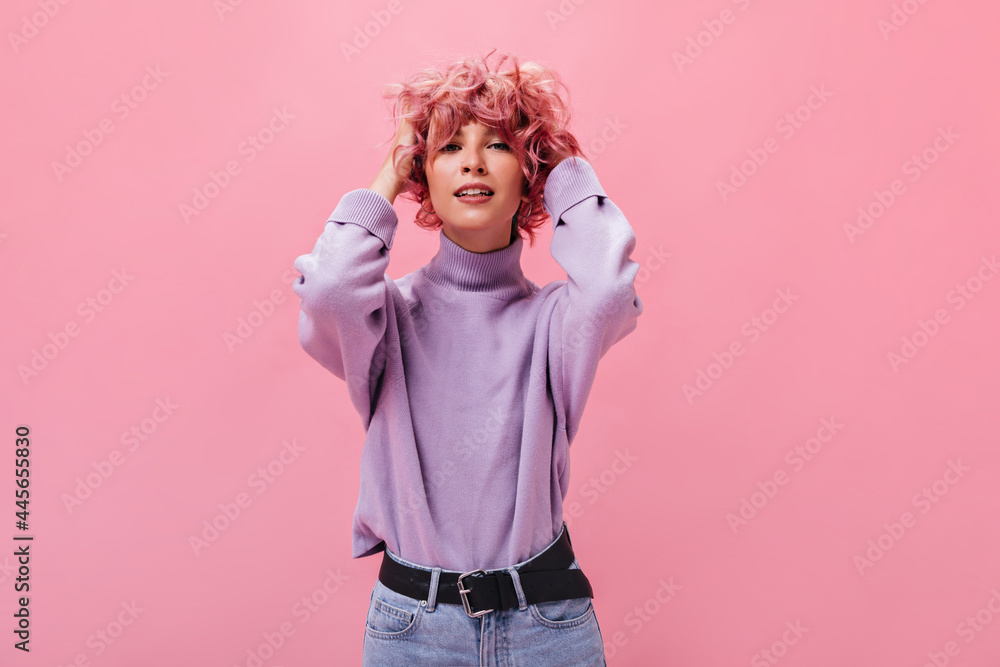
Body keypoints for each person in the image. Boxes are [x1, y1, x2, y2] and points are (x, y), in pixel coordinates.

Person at [292, 49, 643, 666]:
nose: (474, 162)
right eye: (450, 147)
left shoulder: (555, 322)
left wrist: (559, 161)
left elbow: (611, 291)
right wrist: (389, 171)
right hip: (415, 632)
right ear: (420, 177)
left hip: (547, 627)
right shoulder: (386, 319)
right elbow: (328, 291)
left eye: (499, 146)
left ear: (529, 175)